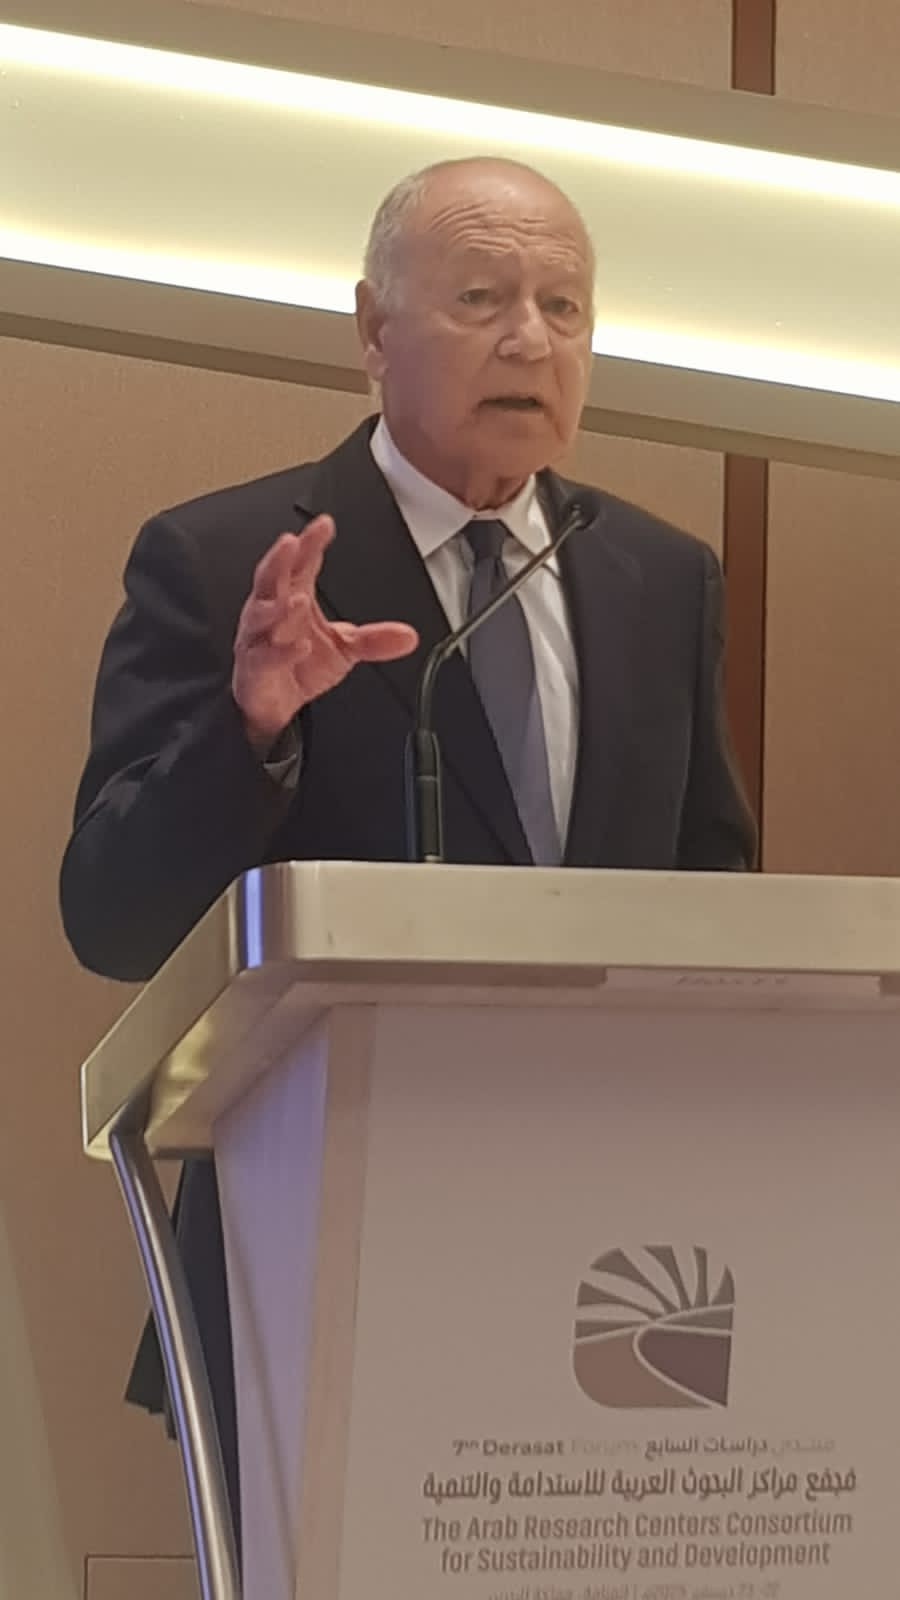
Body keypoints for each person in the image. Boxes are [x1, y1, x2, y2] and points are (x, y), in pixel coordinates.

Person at [60, 156, 756, 1528]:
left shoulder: (661, 578)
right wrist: (251, 728)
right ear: (374, 330)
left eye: (565, 306)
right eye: (483, 298)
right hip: (314, 1251)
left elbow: (712, 887)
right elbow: (111, 917)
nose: (532, 341)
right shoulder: (224, 561)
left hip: (611, 1266)